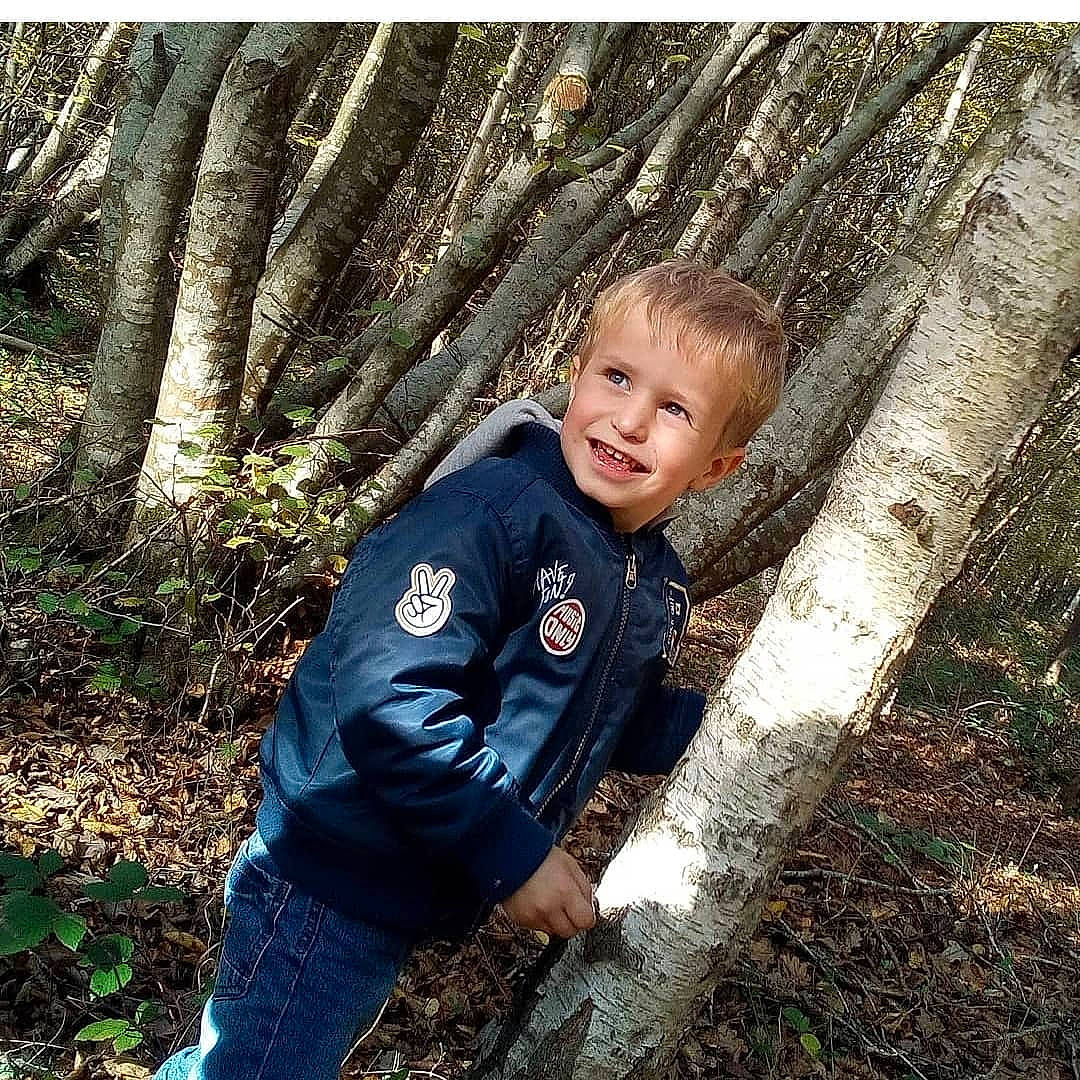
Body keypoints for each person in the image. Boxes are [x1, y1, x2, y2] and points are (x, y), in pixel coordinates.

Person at [154, 260, 786, 1080]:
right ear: (577, 374)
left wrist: (734, 728)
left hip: (411, 877)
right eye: (617, 377)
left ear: (714, 468)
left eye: (673, 409)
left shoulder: (652, 579)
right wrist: (512, 851)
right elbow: (390, 696)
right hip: (334, 867)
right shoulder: (492, 512)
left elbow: (606, 713)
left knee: (256, 1052)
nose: (630, 420)